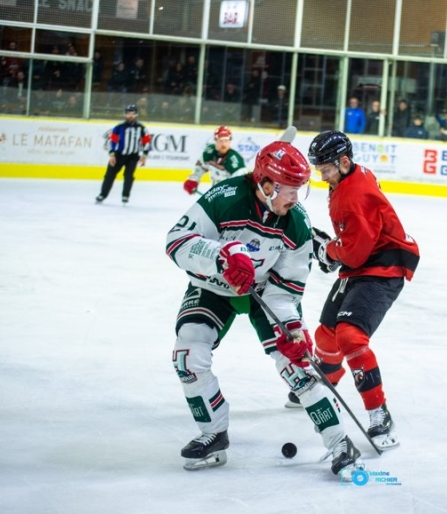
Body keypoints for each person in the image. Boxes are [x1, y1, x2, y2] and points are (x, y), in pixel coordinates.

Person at [166, 140, 361, 475]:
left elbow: (286, 288)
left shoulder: (296, 222)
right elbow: (176, 241)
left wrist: (292, 329)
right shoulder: (225, 197)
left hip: (263, 292)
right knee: (188, 354)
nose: (296, 199)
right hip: (213, 288)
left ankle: (339, 441)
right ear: (267, 185)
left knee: (297, 360)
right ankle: (213, 433)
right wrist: (220, 257)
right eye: (290, 190)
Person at [305, 130, 420, 451]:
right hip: (363, 261)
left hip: (383, 267)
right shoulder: (349, 176)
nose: (322, 176)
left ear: (343, 162)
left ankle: (379, 412)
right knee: (327, 333)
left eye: (325, 169)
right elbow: (355, 245)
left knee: (350, 337)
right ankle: (328, 379)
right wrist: (336, 248)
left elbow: (353, 253)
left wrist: (329, 251)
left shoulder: (353, 195)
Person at [96, 105, 151, 204]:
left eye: (132, 113)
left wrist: (144, 156)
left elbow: (146, 142)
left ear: (136, 114)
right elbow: (112, 141)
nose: (130, 115)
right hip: (118, 155)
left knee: (129, 176)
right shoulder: (118, 127)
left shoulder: (142, 128)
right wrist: (112, 155)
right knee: (109, 175)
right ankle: (102, 195)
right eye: (128, 113)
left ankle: (125, 196)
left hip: (133, 156)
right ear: (125, 114)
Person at [183, 126, 247, 196]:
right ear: (215, 140)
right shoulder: (209, 152)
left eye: (226, 141)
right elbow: (201, 166)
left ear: (230, 141)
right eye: (221, 141)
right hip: (215, 194)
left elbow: (242, 184)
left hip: (229, 198)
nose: (223, 144)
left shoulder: (235, 161)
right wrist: (193, 179)